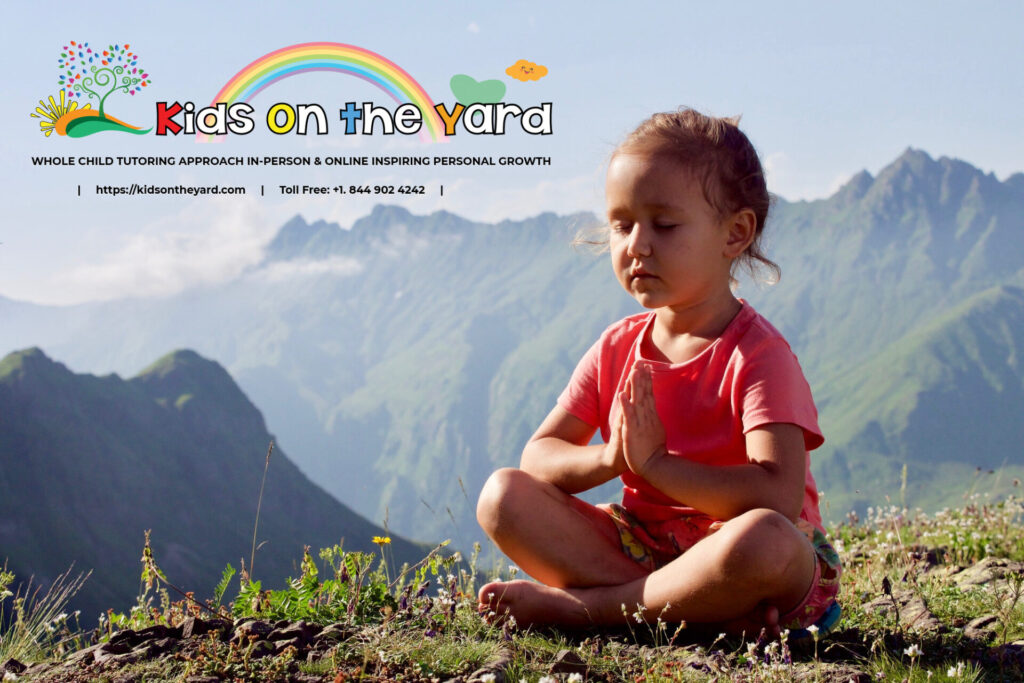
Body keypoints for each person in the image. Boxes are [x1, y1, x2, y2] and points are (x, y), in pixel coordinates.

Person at [475, 108, 841, 638]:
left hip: (745, 556)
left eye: (664, 225)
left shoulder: (758, 355)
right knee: (503, 496)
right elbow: (538, 457)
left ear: (735, 233)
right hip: (642, 548)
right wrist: (610, 458)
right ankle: (698, 613)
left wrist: (656, 467)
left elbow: (779, 499)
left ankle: (588, 611)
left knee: (764, 539)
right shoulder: (617, 347)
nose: (637, 244)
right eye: (622, 224)